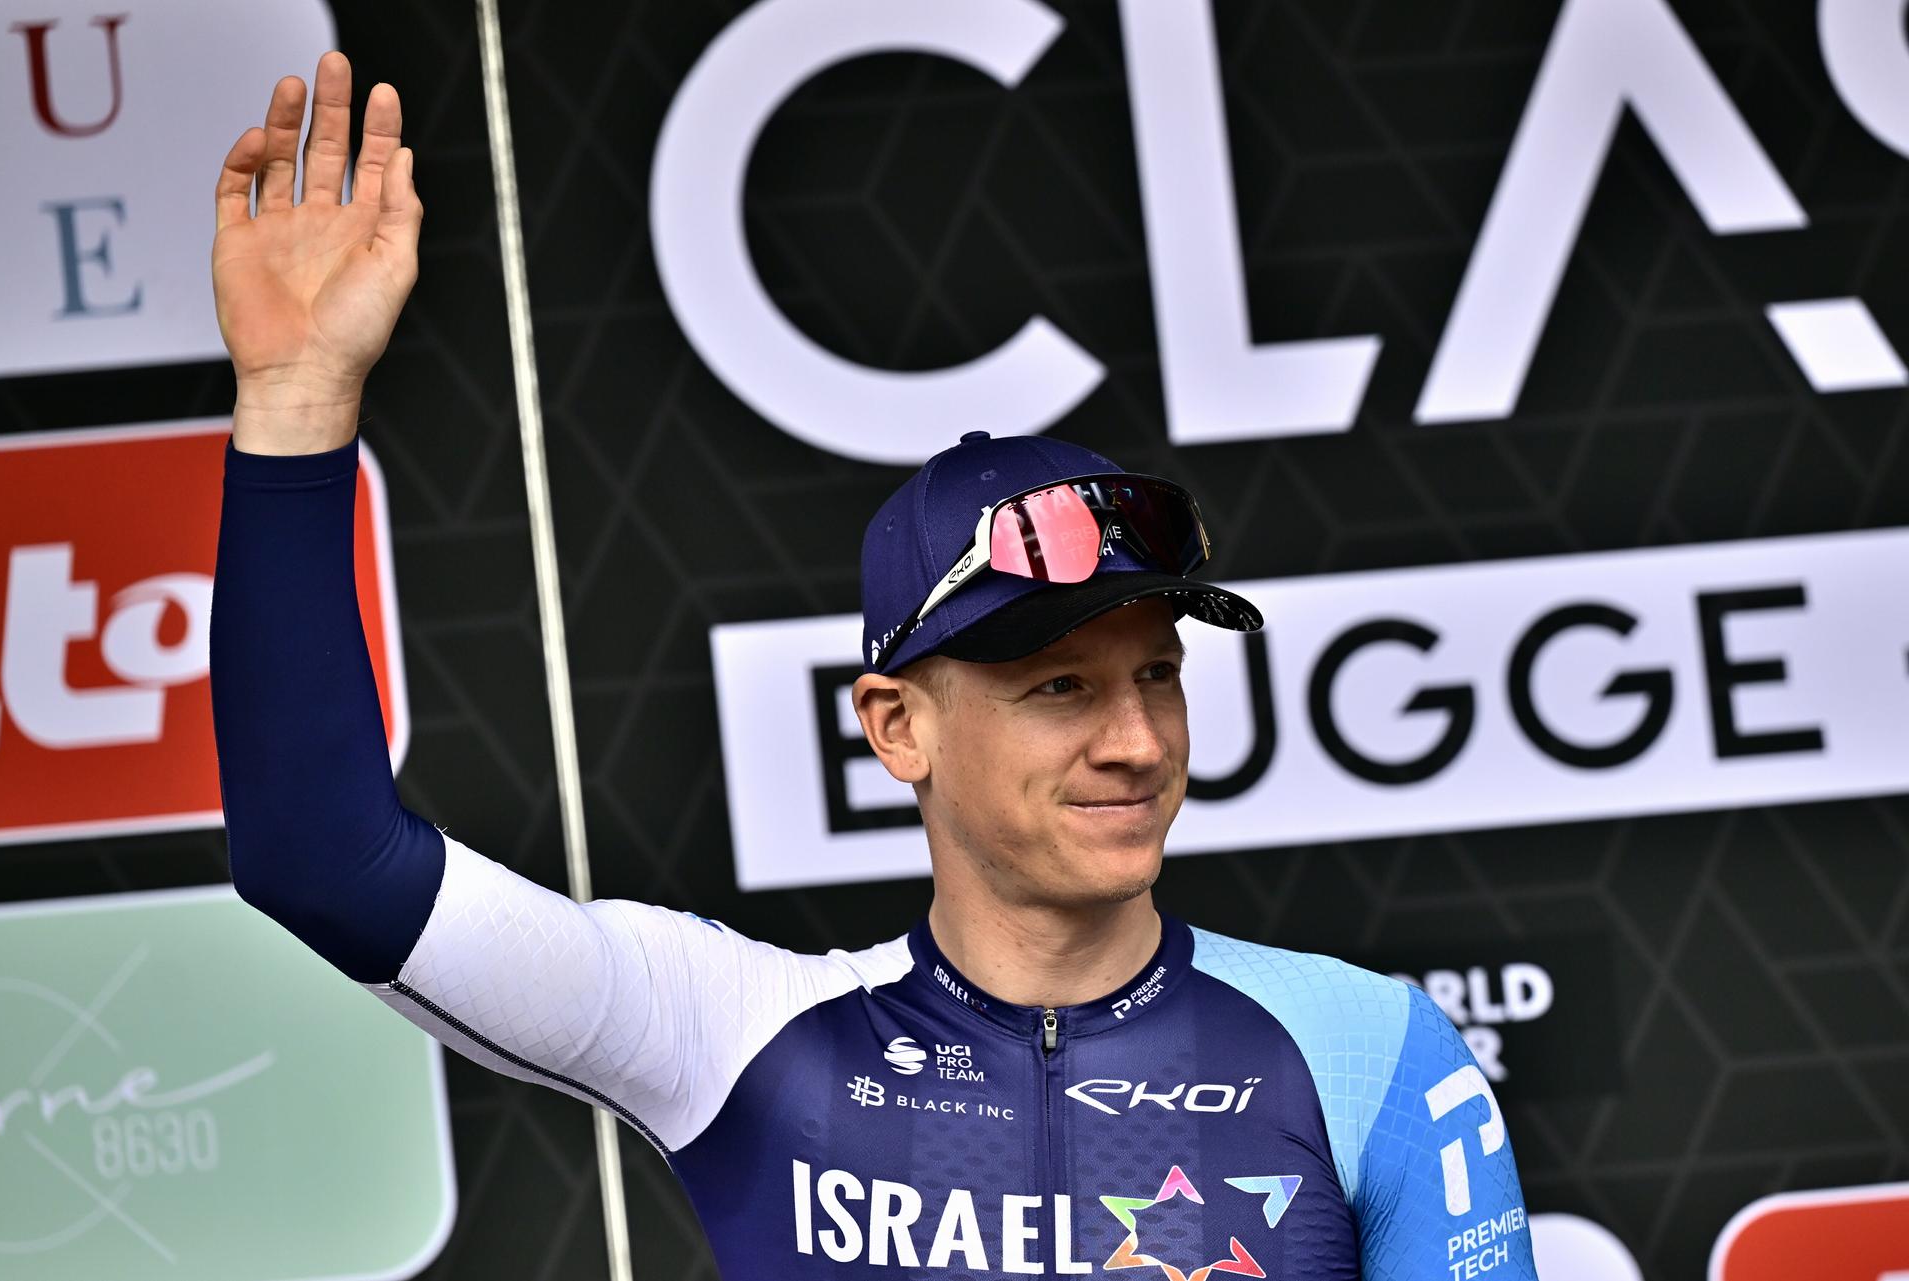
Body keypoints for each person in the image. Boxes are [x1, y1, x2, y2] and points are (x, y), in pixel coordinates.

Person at [210, 52, 1539, 1281]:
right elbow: (320, 853)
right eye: (1059, 687)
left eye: (1156, 674)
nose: (1135, 740)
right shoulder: (739, 1033)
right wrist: (298, 401)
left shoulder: (1369, 1049)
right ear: (896, 725)